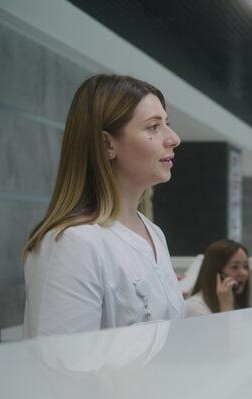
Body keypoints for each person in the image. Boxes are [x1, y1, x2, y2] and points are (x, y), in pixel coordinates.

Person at [22, 74, 185, 337]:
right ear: (107, 144)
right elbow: (62, 368)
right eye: (153, 126)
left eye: (167, 124)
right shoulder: (72, 243)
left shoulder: (154, 234)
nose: (173, 138)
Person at [185, 239, 250, 317]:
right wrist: (226, 307)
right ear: (216, 273)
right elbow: (229, 329)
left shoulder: (235, 300)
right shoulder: (195, 308)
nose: (243, 273)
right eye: (234, 267)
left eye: (245, 266)